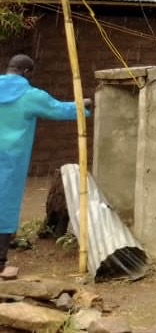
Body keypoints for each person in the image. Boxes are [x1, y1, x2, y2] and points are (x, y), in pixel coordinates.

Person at [0, 55, 91, 281]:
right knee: (5, 206)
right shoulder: (30, 96)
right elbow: (59, 110)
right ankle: (0, 264)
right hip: (10, 160)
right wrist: (84, 105)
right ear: (28, 72)